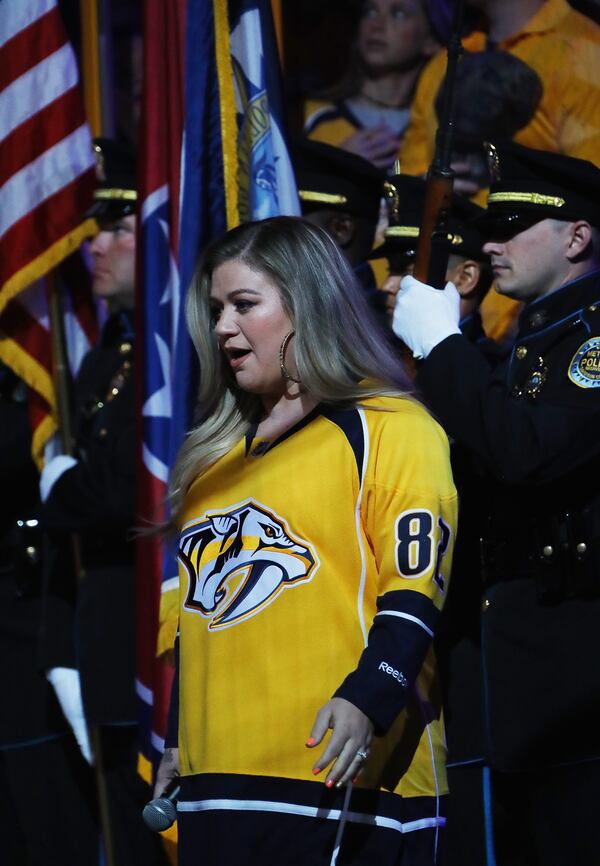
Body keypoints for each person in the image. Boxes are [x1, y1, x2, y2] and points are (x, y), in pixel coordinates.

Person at [155, 216, 458, 865]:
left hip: (347, 779)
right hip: (217, 793)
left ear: (306, 303)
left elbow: (417, 589)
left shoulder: (391, 426)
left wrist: (367, 699)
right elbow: (195, 618)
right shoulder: (210, 463)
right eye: (215, 309)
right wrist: (180, 742)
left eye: (244, 305)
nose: (222, 329)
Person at [391, 141, 600, 865]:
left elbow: (528, 451)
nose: (491, 241)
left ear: (577, 238)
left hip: (575, 677)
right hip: (513, 674)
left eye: (513, 226)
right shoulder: (535, 341)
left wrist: (445, 345)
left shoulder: (592, 340)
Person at [38, 139, 168, 866]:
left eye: (120, 225)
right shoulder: (101, 361)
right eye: (97, 225)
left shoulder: (169, 355)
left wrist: (62, 492)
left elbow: (128, 487)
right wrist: (64, 650)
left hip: (154, 630)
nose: (99, 243)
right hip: (104, 638)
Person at [399, 0, 600, 342]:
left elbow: (590, 193)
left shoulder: (585, 53)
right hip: (428, 300)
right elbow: (405, 184)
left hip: (520, 320)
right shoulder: (445, 63)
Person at [304, 0, 441, 170]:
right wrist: (337, 165)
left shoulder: (436, 128)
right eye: (370, 12)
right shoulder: (316, 117)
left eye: (398, 14)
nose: (376, 25)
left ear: (431, 41)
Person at [371, 171, 494, 344]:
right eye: (391, 270)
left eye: (408, 272)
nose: (387, 286)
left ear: (465, 278)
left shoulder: (481, 369)